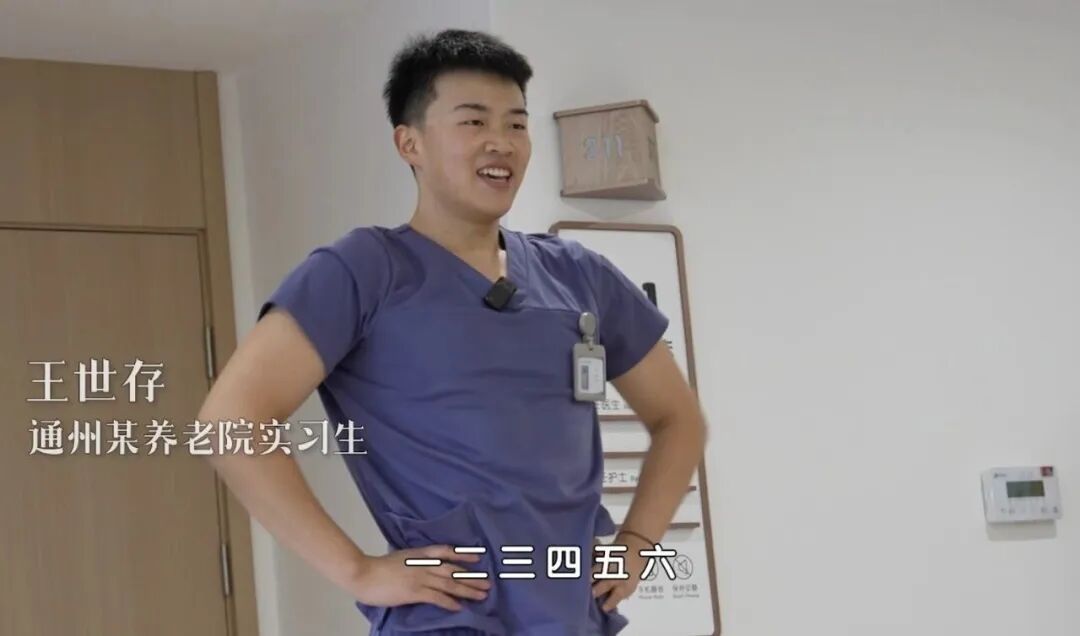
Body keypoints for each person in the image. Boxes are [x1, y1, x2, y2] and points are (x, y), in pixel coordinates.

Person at [199, 28, 707, 636]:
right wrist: (357, 571)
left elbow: (680, 419)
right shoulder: (363, 270)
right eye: (473, 121)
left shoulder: (578, 275)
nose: (501, 142)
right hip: (449, 618)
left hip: (575, 616)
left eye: (516, 124)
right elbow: (230, 422)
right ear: (409, 142)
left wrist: (638, 542)